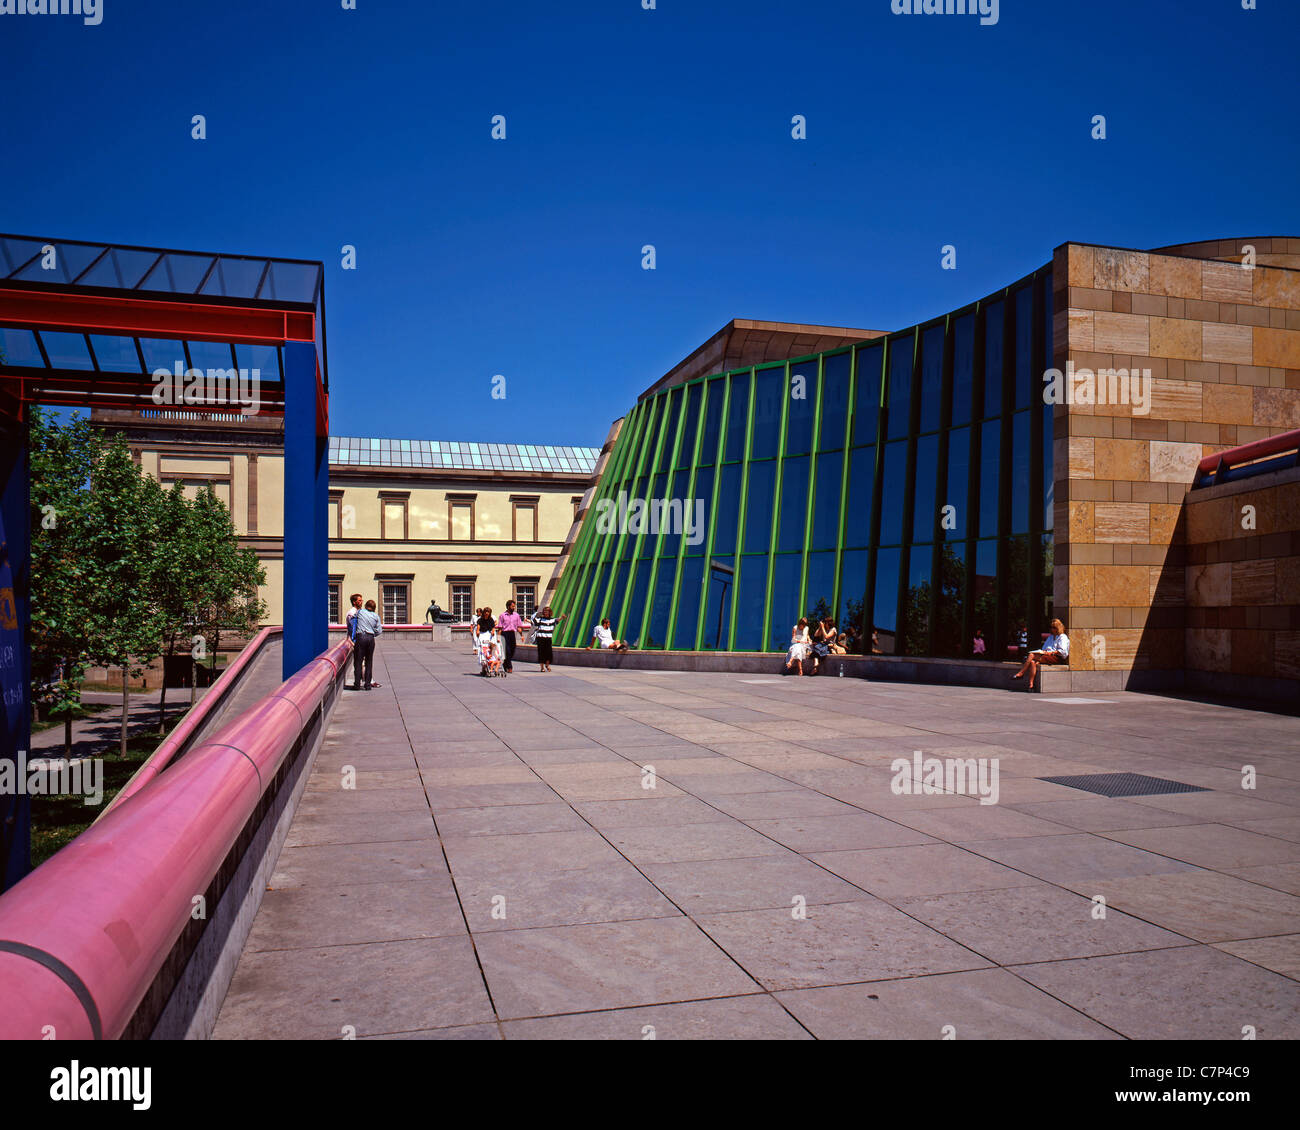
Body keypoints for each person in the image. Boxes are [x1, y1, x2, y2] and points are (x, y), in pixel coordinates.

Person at [1012, 619, 1070, 689]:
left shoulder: (1062, 637)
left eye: (1054, 627)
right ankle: (1031, 685)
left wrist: (1051, 652)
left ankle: (1021, 672)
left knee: (1031, 655)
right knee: (1032, 662)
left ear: (1058, 628)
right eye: (1051, 627)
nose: (1052, 629)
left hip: (1057, 657)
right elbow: (1045, 647)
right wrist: (1043, 652)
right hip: (1047, 655)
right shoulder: (1050, 637)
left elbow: (1063, 651)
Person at [352, 597, 383, 690]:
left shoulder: (360, 612)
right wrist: (372, 633)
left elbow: (354, 622)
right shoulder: (376, 616)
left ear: (366, 606)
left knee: (358, 661)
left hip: (361, 637)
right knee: (369, 662)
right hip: (370, 638)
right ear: (374, 608)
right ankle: (368, 685)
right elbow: (379, 631)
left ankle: (357, 684)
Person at [532, 605, 565, 672]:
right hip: (541, 638)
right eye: (545, 612)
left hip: (548, 638)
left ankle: (547, 665)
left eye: (547, 612)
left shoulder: (552, 620)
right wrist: (538, 614)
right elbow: (534, 621)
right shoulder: (540, 619)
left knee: (549, 653)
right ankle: (542, 667)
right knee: (541, 653)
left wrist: (562, 617)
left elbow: (557, 620)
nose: (546, 613)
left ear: (550, 612)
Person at [497, 599, 523, 674]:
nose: (513, 608)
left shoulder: (516, 615)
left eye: (514, 606)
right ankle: (509, 666)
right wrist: (498, 637)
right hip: (504, 634)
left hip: (512, 634)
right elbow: (500, 627)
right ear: (508, 606)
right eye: (512, 606)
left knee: (512, 649)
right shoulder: (502, 615)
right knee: (507, 650)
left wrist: (521, 635)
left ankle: (505, 663)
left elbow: (519, 626)